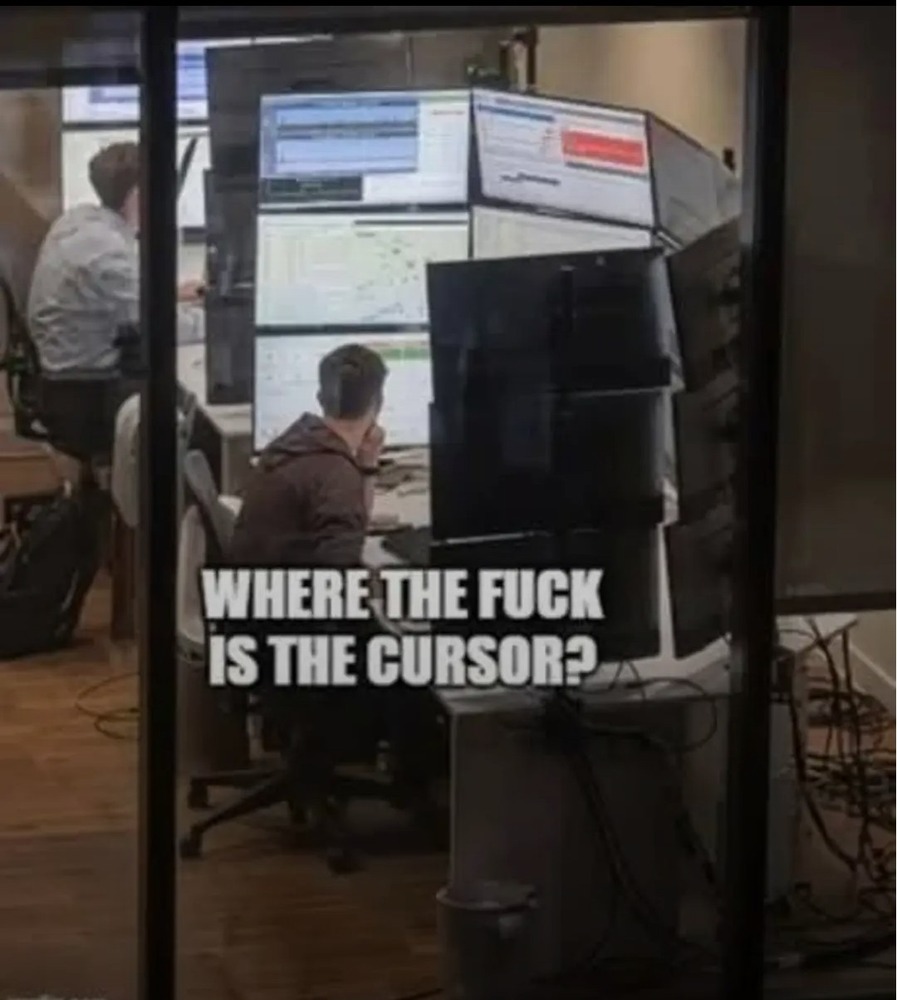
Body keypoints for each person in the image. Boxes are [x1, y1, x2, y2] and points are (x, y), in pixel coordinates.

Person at [26, 141, 203, 461]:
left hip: (63, 388)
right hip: (88, 399)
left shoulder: (77, 222)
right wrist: (224, 322)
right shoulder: (105, 251)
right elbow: (165, 327)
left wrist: (171, 293)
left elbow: (112, 297)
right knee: (199, 422)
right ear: (137, 195)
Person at [230, 343, 387, 567]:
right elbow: (341, 577)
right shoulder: (336, 477)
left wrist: (367, 463)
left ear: (320, 398)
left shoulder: (295, 441)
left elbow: (355, 528)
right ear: (377, 403)